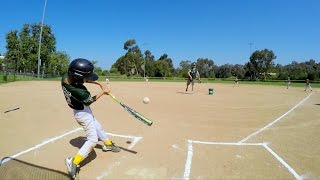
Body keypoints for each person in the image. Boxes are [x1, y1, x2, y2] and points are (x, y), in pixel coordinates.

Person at [61, 58, 120, 179]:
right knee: (93, 140)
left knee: (97, 126)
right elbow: (89, 101)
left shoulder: (66, 77)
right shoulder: (80, 92)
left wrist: (99, 83)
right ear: (78, 79)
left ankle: (107, 144)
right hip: (82, 113)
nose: (88, 79)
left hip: (81, 109)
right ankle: (73, 162)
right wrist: (103, 92)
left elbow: (83, 78)